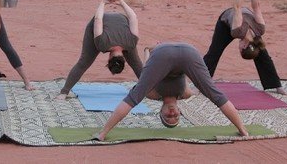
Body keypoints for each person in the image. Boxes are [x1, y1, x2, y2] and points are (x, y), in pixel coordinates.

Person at [93, 42, 249, 141]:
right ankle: (243, 129)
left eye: (169, 117)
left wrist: (148, 53)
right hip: (188, 51)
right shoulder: (186, 94)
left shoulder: (152, 94)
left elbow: (147, 71)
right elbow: (207, 91)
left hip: (162, 54)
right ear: (180, 111)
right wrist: (203, 82)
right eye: (176, 116)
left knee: (134, 96)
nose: (172, 113)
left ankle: (103, 132)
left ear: (160, 112)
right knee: (214, 93)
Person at [203, 0, 286, 94]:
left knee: (263, 56)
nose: (238, 48)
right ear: (245, 45)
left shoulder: (239, 32)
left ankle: (276, 85)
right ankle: (201, 84)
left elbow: (240, 6)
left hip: (237, 19)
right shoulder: (258, 29)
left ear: (244, 46)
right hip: (225, 21)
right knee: (214, 53)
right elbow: (252, 6)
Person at [55, 0, 143, 100]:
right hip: (99, 25)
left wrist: (118, 2)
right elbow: (98, 19)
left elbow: (133, 17)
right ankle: (149, 89)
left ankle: (64, 93)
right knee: (84, 62)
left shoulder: (132, 42)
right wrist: (104, 3)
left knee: (137, 64)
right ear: (110, 58)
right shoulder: (102, 43)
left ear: (124, 59)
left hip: (119, 19)